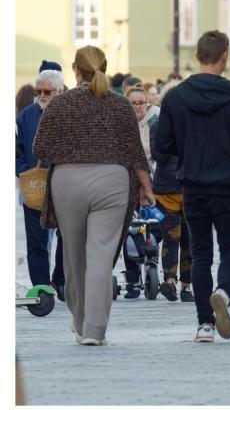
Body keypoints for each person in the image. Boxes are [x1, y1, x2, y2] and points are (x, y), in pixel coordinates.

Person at [33, 45, 154, 345]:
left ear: (75, 69)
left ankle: (79, 321)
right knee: (100, 257)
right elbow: (134, 152)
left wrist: (71, 151)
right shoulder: (120, 105)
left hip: (68, 183)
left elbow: (40, 148)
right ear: (105, 67)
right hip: (112, 182)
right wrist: (147, 188)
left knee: (74, 259)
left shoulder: (60, 105)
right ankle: (95, 331)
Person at [155, 30, 230, 343]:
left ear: (197, 56)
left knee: (200, 255)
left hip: (193, 186)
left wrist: (189, 150)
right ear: (225, 57)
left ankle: (205, 325)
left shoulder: (175, 97)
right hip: (228, 185)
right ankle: (223, 292)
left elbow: (163, 147)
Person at [16, 67, 66, 295]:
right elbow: (15, 150)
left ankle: (61, 280)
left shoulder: (69, 113)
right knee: (36, 241)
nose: (42, 96)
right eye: (39, 91)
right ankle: (41, 287)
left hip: (65, 184)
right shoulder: (26, 115)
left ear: (59, 91)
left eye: (47, 91)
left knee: (67, 237)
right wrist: (24, 170)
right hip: (34, 185)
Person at [151, 80, 194, 302]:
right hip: (189, 185)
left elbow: (158, 155)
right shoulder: (194, 123)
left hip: (165, 189)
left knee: (170, 238)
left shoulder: (159, 124)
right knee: (190, 239)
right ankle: (187, 286)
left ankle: (169, 280)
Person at [119, 87, 161, 299]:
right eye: (133, 103)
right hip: (126, 184)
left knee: (153, 225)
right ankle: (132, 279)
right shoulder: (121, 125)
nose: (137, 107)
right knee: (130, 229)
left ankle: (152, 264)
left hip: (152, 180)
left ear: (147, 104)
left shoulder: (155, 124)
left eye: (141, 103)